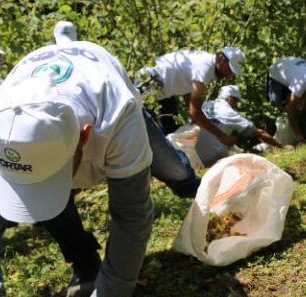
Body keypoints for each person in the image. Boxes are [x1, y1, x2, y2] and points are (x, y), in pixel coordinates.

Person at [0, 40, 153, 297]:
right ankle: (86, 262)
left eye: (51, 175)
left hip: (108, 91)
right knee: (50, 207)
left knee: (174, 170)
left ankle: (194, 188)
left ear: (85, 136)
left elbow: (131, 215)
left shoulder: (117, 113)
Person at [51, 21, 200, 198]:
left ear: (53, 40)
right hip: (119, 115)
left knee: (55, 177)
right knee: (173, 169)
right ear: (77, 38)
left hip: (80, 125)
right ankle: (190, 186)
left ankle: (44, 207)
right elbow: (130, 93)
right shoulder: (93, 51)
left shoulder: (41, 61)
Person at [137, 47, 246, 141]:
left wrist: (195, 120)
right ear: (220, 59)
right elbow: (195, 112)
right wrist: (222, 136)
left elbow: (189, 91)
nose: (229, 75)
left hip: (165, 92)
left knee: (171, 132)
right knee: (148, 134)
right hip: (147, 87)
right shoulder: (205, 67)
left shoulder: (208, 65)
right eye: (230, 69)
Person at [196, 85, 286, 167]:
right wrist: (281, 146)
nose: (236, 106)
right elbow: (259, 133)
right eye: (236, 102)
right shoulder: (229, 113)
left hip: (196, 158)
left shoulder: (203, 106)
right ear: (230, 99)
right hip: (214, 159)